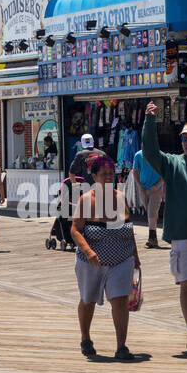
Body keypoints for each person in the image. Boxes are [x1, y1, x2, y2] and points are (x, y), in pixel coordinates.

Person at [142, 103, 187, 352]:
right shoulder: (172, 163)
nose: (186, 142)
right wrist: (149, 121)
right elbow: (150, 152)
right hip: (182, 234)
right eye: (183, 138)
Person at [70, 151, 140, 361]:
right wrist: (88, 251)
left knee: (119, 300)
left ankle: (121, 346)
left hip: (122, 260)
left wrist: (136, 256)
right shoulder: (85, 200)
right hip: (91, 262)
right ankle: (85, 338)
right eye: (104, 174)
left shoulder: (120, 197)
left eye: (112, 174)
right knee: (88, 299)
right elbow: (75, 230)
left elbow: (128, 229)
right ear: (94, 176)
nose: (109, 177)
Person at [131, 142, 165, 250]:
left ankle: (152, 238)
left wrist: (158, 185)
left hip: (156, 189)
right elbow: (135, 171)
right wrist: (139, 185)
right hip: (143, 188)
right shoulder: (138, 155)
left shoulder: (160, 155)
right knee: (150, 212)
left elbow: (165, 172)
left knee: (151, 212)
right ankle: (153, 236)